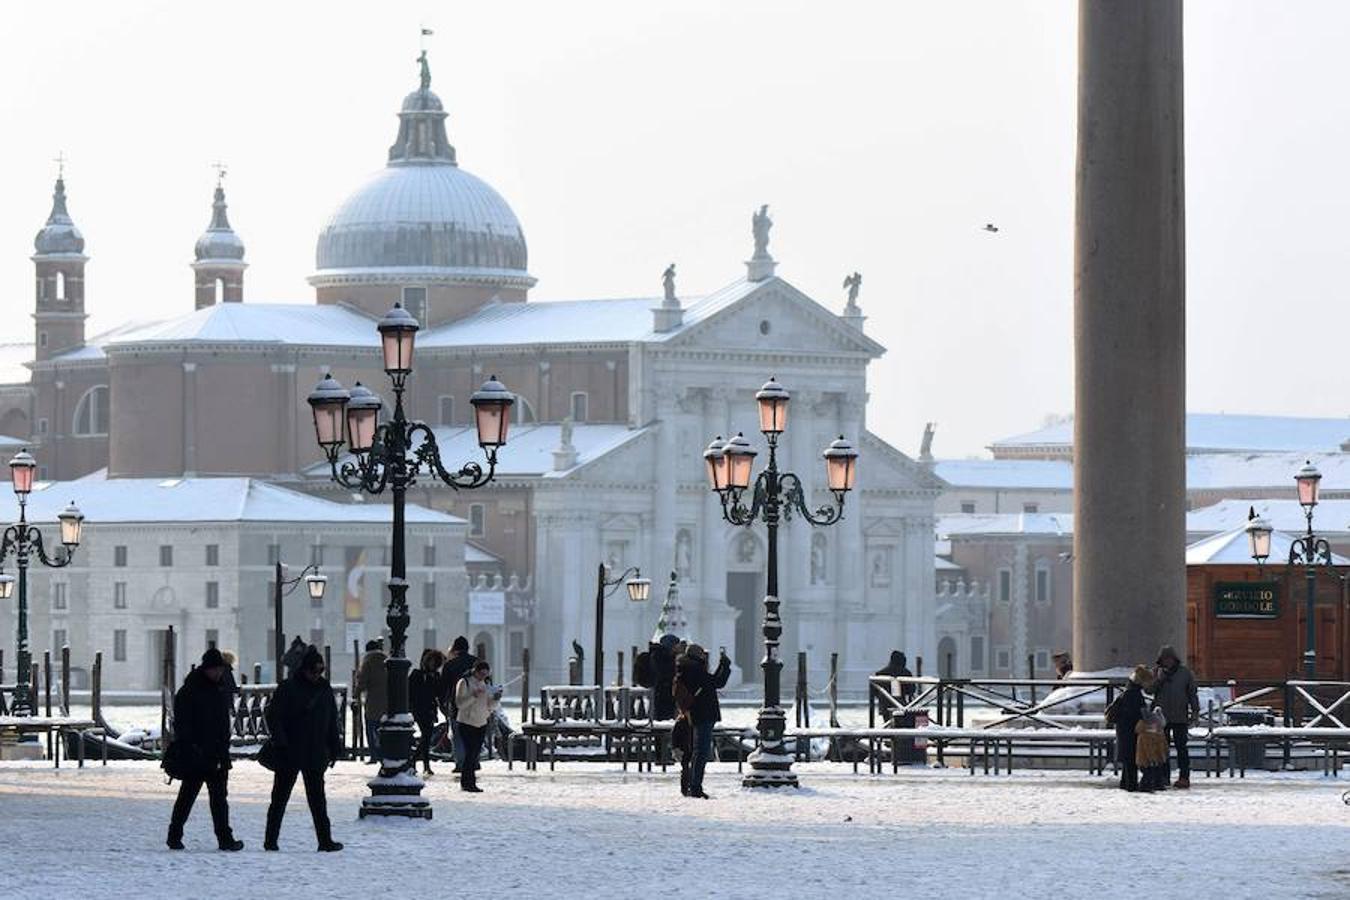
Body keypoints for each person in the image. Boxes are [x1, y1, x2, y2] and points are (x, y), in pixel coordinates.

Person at [264, 645, 343, 852]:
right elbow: (273, 716)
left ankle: (325, 840)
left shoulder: (324, 690)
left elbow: (331, 721)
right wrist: (281, 741)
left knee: (318, 801)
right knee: (280, 799)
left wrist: (334, 747)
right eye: (313, 671)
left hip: (315, 751)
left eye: (320, 671)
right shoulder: (288, 688)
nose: (317, 675)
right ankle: (270, 840)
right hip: (291, 750)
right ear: (305, 669)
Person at [165, 648, 243, 851]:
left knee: (219, 800)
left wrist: (223, 748)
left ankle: (225, 839)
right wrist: (193, 746)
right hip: (196, 754)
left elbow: (222, 722)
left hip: (217, 753)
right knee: (187, 797)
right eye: (216, 670)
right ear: (207, 669)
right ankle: (174, 835)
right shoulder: (190, 691)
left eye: (220, 670)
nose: (219, 674)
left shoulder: (219, 689)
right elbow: (182, 725)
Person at [674, 644, 731, 799]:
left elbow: (712, 682)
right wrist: (725, 665)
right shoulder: (695, 670)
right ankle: (695, 786)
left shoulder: (686, 669)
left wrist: (722, 666)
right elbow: (717, 682)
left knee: (695, 751)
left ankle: (690, 785)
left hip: (695, 713)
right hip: (703, 714)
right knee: (701, 752)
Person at [1152, 644, 1200, 789]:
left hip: (1180, 716)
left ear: (1174, 659)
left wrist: (1195, 712)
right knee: (1162, 748)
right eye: (1165, 658)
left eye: (1170, 658)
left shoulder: (1185, 673)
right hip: (1161, 717)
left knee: (1181, 747)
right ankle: (1163, 776)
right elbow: (1149, 690)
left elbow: (1192, 694)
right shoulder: (1156, 672)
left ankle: (1184, 777)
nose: (1167, 661)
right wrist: (1158, 680)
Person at [454, 660, 498, 792]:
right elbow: (460, 704)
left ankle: (470, 782)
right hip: (466, 722)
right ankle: (467, 782)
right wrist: (473, 695)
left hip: (481, 722)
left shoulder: (486, 683)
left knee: (475, 754)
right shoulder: (464, 682)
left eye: (486, 674)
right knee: (469, 753)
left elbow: (489, 706)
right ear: (475, 671)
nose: (483, 677)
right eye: (481, 674)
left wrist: (495, 699)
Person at [1106, 665, 1150, 792]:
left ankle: (1125, 783)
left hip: (1124, 729)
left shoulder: (1128, 691)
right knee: (1131, 759)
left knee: (1127, 759)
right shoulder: (1134, 694)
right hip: (1131, 730)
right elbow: (1137, 712)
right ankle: (1131, 784)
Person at [440, 636, 477, 771]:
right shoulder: (476, 663)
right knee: (474, 734)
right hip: (475, 705)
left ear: (455, 649)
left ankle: (461, 763)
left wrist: (443, 705)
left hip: (456, 705)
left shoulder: (449, 665)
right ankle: (473, 761)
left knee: (458, 736)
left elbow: (443, 688)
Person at [410, 648, 445, 776]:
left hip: (430, 710)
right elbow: (410, 692)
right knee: (426, 735)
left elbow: (439, 693)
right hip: (419, 709)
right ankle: (418, 762)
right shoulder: (416, 674)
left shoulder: (436, 676)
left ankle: (421, 763)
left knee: (427, 736)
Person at [354, 639, 387, 763]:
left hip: (373, 701)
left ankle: (374, 755)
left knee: (371, 728)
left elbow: (362, 681)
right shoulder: (387, 660)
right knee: (383, 731)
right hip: (387, 703)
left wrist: (356, 693)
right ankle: (384, 754)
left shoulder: (367, 662)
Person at [1136, 707, 1170, 792]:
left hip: (1154, 757)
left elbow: (1162, 745)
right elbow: (1148, 748)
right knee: (1148, 773)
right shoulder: (1147, 735)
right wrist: (1153, 757)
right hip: (1148, 759)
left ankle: (1156, 784)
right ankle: (1145, 786)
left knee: (1154, 771)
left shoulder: (1156, 734)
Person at [649, 633, 680, 721]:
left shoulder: (662, 655)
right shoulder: (659, 656)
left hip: (667, 692)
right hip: (663, 692)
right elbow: (664, 672)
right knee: (663, 717)